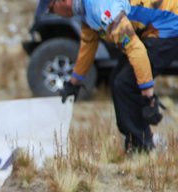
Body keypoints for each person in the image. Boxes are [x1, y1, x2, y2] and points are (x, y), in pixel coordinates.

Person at [49, 0, 178, 152]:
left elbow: (136, 50)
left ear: (63, 2)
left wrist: (148, 98)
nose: (53, 14)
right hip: (153, 25)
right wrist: (74, 83)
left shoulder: (101, 9)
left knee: (126, 83)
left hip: (169, 22)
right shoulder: (86, 10)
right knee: (117, 79)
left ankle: (143, 146)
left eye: (52, 9)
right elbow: (88, 44)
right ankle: (139, 139)